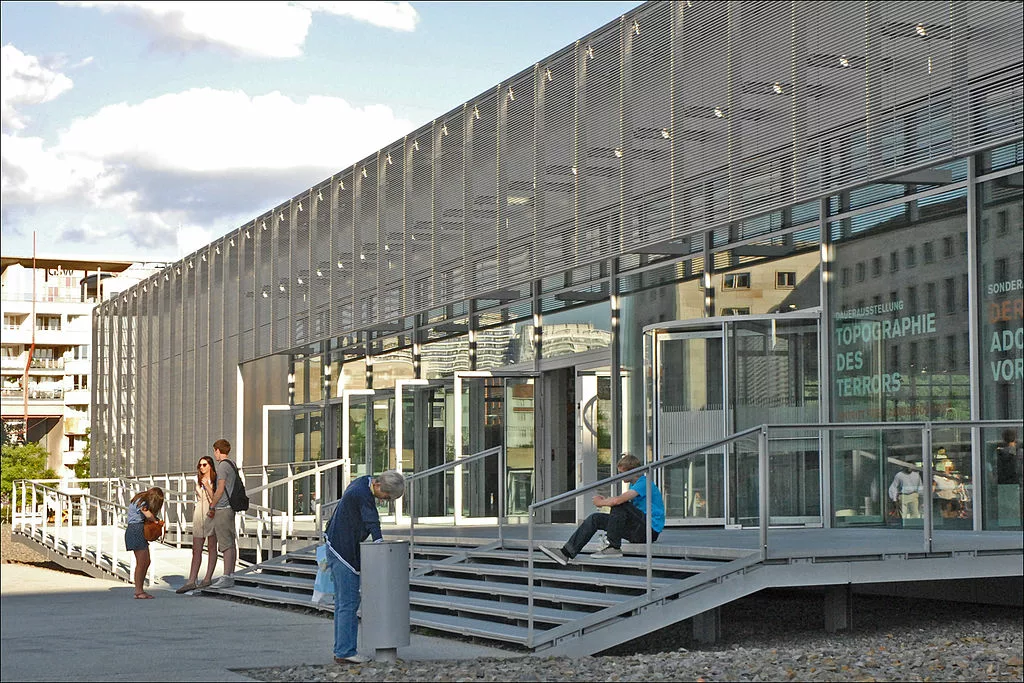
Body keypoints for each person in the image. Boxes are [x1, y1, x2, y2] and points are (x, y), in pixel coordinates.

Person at [325, 470, 405, 665]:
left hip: (336, 546)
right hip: (343, 551)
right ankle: (345, 651)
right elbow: (371, 520)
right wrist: (380, 543)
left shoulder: (362, 482)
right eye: (386, 497)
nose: (385, 501)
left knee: (344, 603)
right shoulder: (362, 494)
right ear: (378, 486)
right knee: (348, 603)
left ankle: (342, 649)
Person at [539, 453, 665, 565]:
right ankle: (565, 553)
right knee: (595, 518)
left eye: (621, 473)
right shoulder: (634, 484)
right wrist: (607, 501)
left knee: (619, 504)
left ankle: (614, 547)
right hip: (638, 530)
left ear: (631, 471)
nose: (619, 476)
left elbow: (618, 501)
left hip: (649, 530)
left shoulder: (644, 483)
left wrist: (602, 502)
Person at [176, 455, 219, 593]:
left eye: (204, 465)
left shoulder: (216, 479)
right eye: (200, 465)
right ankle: (191, 580)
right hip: (199, 512)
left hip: (211, 511)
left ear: (210, 465)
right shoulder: (198, 480)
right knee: (196, 548)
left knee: (212, 546)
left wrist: (207, 486)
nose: (202, 467)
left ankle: (207, 578)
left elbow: (215, 498)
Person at [207, 439, 239, 589]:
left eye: (215, 451)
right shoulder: (232, 464)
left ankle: (226, 576)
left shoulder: (222, 467)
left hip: (222, 507)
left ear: (218, 450)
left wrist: (212, 506)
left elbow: (220, 489)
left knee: (225, 543)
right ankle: (230, 574)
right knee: (231, 542)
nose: (215, 454)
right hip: (231, 507)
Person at [124, 487, 164, 599]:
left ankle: (139, 590)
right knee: (142, 562)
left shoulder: (140, 497)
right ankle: (139, 591)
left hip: (133, 530)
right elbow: (147, 514)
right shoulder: (144, 502)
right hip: (136, 530)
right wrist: (156, 521)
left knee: (145, 561)